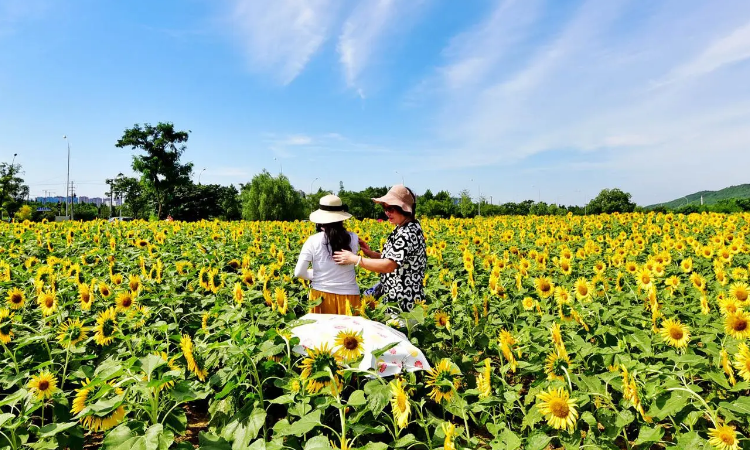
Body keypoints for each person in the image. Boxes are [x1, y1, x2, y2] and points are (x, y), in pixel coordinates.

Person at [333, 185, 426, 313]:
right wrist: (371, 254)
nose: (387, 213)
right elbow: (397, 259)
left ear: (404, 209)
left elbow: (389, 265)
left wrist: (355, 259)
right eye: (385, 208)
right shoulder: (404, 227)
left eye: (391, 208)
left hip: (403, 303)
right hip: (396, 298)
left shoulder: (408, 233)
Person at [294, 194, 361, 314]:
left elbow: (299, 272)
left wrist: (319, 274)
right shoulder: (354, 238)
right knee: (349, 332)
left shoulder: (312, 240)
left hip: (322, 297)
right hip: (349, 297)